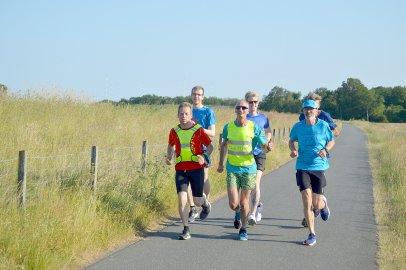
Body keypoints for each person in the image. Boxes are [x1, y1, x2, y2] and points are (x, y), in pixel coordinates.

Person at [217, 100, 271, 241]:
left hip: (248, 169)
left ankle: (243, 229)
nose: (241, 109)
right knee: (234, 204)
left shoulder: (254, 127)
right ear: (235, 110)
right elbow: (223, 145)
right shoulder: (228, 127)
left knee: (244, 201)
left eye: (244, 107)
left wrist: (267, 147)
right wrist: (220, 163)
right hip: (232, 169)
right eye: (238, 107)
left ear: (248, 111)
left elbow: (263, 146)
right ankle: (237, 213)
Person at [289, 99, 335, 246]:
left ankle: (323, 205)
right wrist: (293, 149)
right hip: (302, 166)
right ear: (303, 111)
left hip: (318, 167)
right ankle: (312, 234)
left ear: (316, 111)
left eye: (311, 109)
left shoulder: (323, 126)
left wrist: (325, 150)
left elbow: (332, 141)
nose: (308, 111)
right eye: (306, 109)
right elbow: (291, 140)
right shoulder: (298, 126)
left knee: (316, 203)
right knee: (306, 200)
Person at [165, 102, 214, 240]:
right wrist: (169, 157)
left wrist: (204, 156)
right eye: (181, 113)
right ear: (177, 115)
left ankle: (205, 204)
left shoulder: (198, 129)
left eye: (186, 113)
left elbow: (210, 147)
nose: (183, 116)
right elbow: (170, 146)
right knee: (182, 200)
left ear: (191, 115)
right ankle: (186, 229)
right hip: (181, 170)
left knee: (198, 201)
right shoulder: (174, 131)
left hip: (196, 169)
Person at [299, 92, 340, 227]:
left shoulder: (325, 116)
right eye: (309, 103)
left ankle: (319, 206)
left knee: (317, 193)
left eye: (314, 103)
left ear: (319, 105)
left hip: (321, 158)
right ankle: (310, 215)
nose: (311, 107)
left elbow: (336, 132)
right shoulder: (303, 115)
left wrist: (324, 130)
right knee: (306, 193)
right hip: (305, 158)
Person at [187, 86, 216, 222]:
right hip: (189, 150)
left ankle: (206, 201)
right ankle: (192, 208)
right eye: (194, 94)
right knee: (187, 179)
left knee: (203, 178)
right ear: (191, 95)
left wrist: (197, 128)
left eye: (199, 95)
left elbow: (212, 132)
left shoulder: (208, 112)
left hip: (204, 149)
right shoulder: (188, 111)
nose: (196, 97)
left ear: (203, 96)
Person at [245, 91, 273, 225]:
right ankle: (258, 205)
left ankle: (252, 213)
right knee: (248, 186)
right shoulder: (243, 117)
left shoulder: (263, 117)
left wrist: (266, 142)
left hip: (259, 154)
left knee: (255, 182)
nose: (253, 104)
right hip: (245, 155)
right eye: (250, 102)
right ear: (246, 103)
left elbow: (268, 132)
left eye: (255, 102)